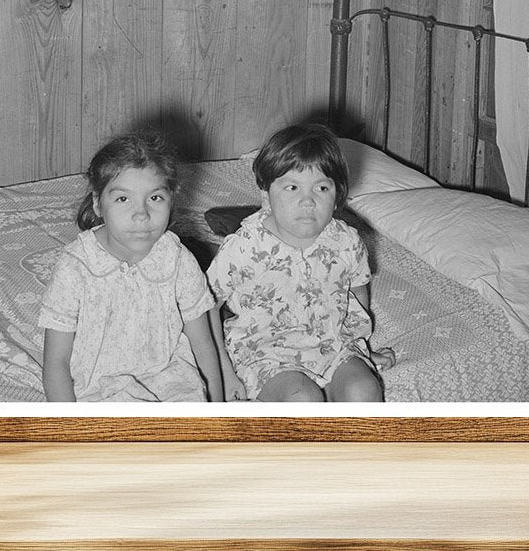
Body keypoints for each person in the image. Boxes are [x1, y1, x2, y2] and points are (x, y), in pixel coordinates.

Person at [39, 130, 224, 403]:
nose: (142, 214)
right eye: (123, 199)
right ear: (97, 204)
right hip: (99, 390)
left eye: (155, 198)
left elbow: (203, 344)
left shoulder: (177, 259)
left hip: (173, 382)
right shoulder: (76, 267)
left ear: (172, 200)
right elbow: (56, 362)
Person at [206, 124, 384, 403]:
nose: (307, 201)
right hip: (266, 353)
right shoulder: (243, 246)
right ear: (265, 195)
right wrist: (224, 372)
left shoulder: (346, 241)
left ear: (337, 196)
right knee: (304, 399)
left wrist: (363, 348)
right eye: (292, 187)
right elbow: (207, 308)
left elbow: (358, 293)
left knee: (365, 390)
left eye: (321, 188)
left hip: (333, 345)